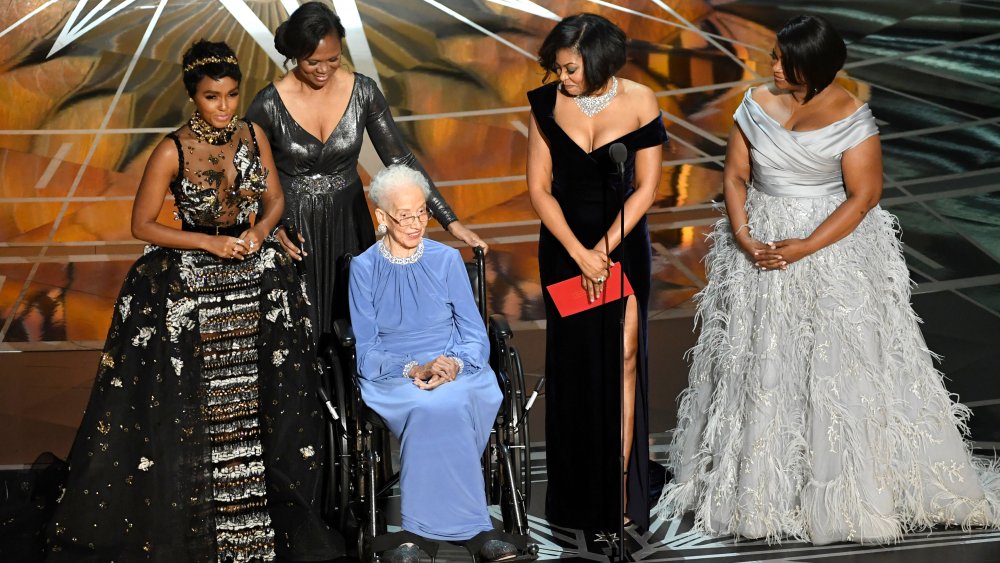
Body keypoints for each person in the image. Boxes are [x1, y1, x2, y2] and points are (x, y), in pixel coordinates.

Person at [656, 15, 1000, 545]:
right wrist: (746, 239)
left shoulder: (852, 117)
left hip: (829, 250)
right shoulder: (753, 104)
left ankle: (839, 492)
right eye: (772, 56)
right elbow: (734, 175)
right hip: (760, 247)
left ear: (810, 68)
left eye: (781, 60)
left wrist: (805, 246)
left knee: (832, 365)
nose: (771, 65)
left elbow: (864, 196)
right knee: (763, 361)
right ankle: (761, 489)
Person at [45, 41, 342, 561]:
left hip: (251, 271)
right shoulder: (171, 150)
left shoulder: (253, 134)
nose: (224, 106)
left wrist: (261, 233)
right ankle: (201, 522)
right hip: (192, 275)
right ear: (193, 97)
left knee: (261, 401)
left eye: (231, 95)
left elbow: (275, 200)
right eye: (212, 97)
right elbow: (142, 224)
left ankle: (257, 518)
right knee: (196, 408)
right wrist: (209, 242)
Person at [246, 1, 486, 337]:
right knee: (301, 330)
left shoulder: (363, 92)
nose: (323, 70)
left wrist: (451, 221)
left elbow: (401, 160)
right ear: (294, 54)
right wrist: (275, 226)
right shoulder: (268, 103)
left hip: (349, 221)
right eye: (311, 62)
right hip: (294, 226)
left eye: (333, 59)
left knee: (357, 321)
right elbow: (251, 176)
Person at [526, 13, 667, 532]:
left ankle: (621, 483)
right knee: (579, 364)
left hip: (622, 243)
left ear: (599, 60)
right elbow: (539, 189)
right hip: (565, 247)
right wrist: (580, 254)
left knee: (624, 356)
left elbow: (646, 188)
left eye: (569, 69)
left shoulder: (640, 101)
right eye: (557, 69)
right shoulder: (544, 105)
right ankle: (580, 490)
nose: (561, 78)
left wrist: (603, 251)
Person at [347, 165, 515, 561]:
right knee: (427, 404)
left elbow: (474, 334)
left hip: (456, 366)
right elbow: (367, 350)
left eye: (422, 212)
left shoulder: (446, 260)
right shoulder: (364, 268)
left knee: (452, 400)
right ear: (382, 218)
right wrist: (414, 369)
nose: (416, 222)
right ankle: (471, 531)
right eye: (405, 215)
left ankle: (427, 535)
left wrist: (452, 365)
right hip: (394, 372)